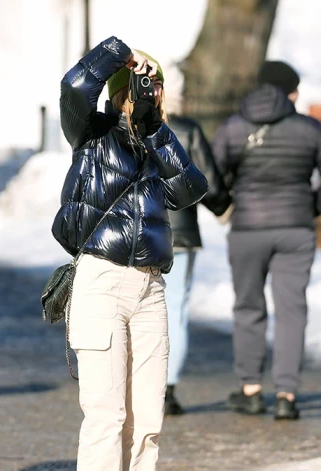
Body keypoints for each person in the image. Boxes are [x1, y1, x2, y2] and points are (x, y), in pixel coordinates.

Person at [53, 37, 209, 471]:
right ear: (123, 86)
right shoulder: (91, 132)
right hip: (101, 283)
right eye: (145, 82)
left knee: (146, 422)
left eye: (157, 84)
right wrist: (120, 52)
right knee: (108, 418)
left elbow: (190, 189)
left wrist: (155, 129)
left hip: (150, 290)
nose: (153, 90)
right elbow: (75, 84)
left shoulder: (159, 141)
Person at [213, 60, 321, 420]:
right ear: (289, 91)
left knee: (248, 308)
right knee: (292, 311)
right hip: (296, 231)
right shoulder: (310, 129)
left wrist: (229, 207)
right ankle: (286, 395)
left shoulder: (234, 127)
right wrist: (308, 208)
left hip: (247, 230)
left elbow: (209, 179)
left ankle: (251, 390)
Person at [163, 111, 232, 415]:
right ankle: (167, 388)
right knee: (175, 309)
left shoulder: (120, 125)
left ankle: (134, 382)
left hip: (132, 235)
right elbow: (207, 181)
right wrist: (222, 208)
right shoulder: (186, 129)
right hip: (179, 234)